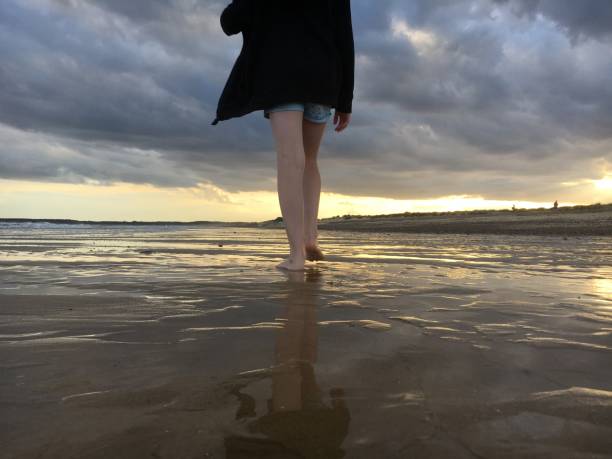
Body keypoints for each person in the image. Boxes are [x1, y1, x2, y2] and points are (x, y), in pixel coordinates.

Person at [212, 0, 355, 271]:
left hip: (280, 74)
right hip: (323, 75)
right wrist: (345, 100)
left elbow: (229, 23)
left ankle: (296, 256)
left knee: (291, 158)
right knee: (310, 160)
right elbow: (345, 38)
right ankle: (310, 237)